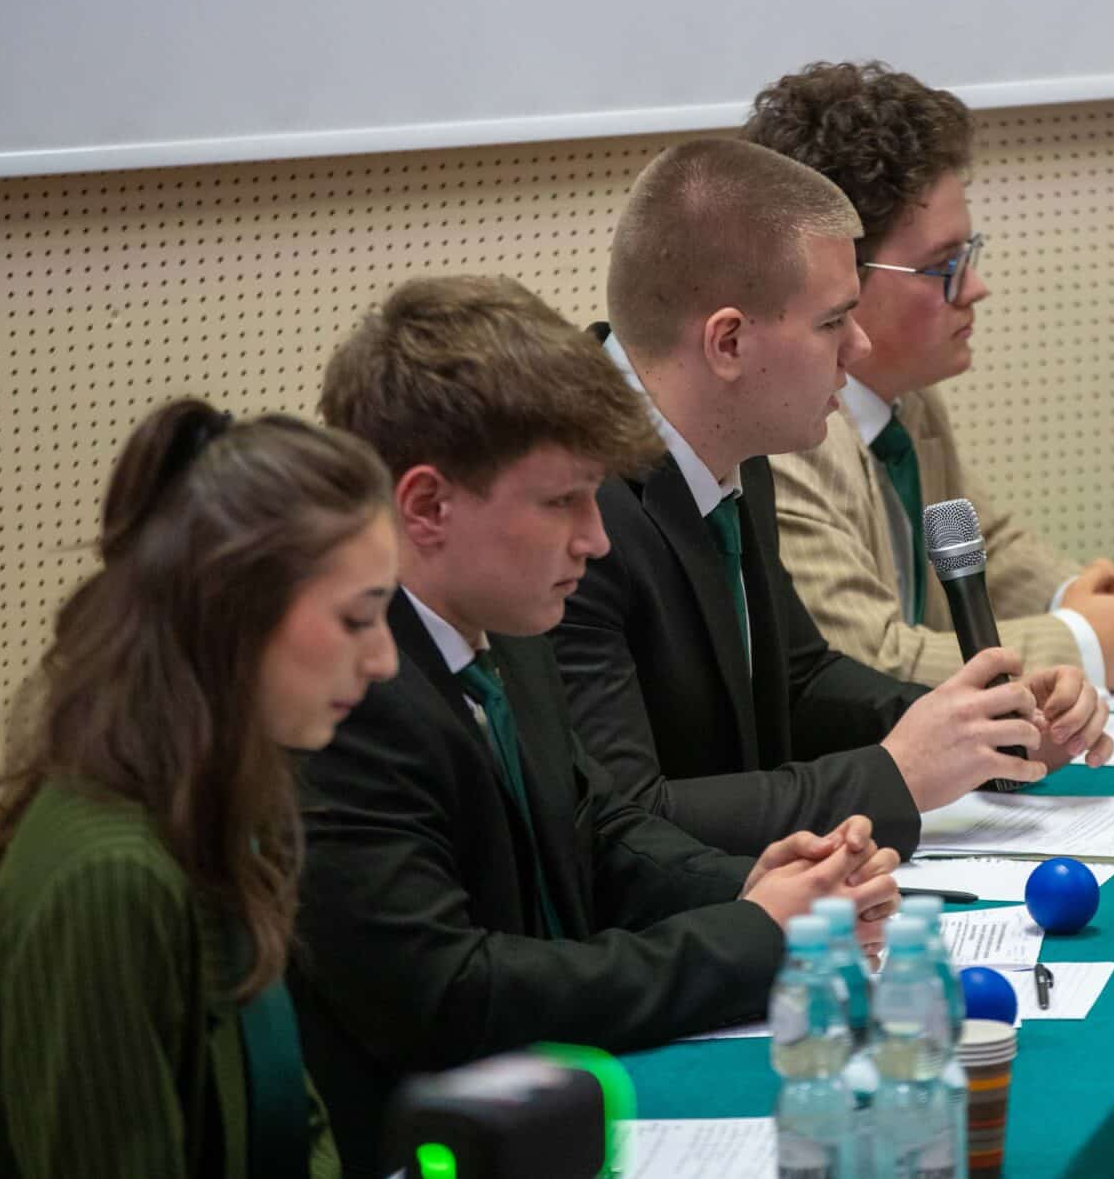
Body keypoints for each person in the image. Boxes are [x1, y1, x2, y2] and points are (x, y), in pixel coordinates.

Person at [295, 274, 900, 1179]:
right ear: (426, 507)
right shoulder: (346, 697)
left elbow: (596, 829)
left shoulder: (502, 626)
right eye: (561, 503)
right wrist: (752, 936)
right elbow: (460, 993)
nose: (598, 538)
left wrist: (758, 884)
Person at [551, 137, 1110, 861]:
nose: (860, 347)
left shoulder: (727, 436)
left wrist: (983, 727)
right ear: (728, 343)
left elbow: (798, 680)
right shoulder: (566, 503)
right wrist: (894, 774)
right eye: (831, 321)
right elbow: (625, 816)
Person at [0, 399, 399, 1179]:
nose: (384, 659)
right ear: (233, 613)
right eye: (358, 619)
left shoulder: (212, 802)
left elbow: (290, 1117)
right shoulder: (109, 879)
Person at [745, 60, 1114, 692]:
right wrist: (1083, 643)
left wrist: (1085, 598)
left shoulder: (903, 396)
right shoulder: (781, 441)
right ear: (837, 276)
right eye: (944, 264)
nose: (975, 288)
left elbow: (978, 547)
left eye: (969, 256)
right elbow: (866, 662)